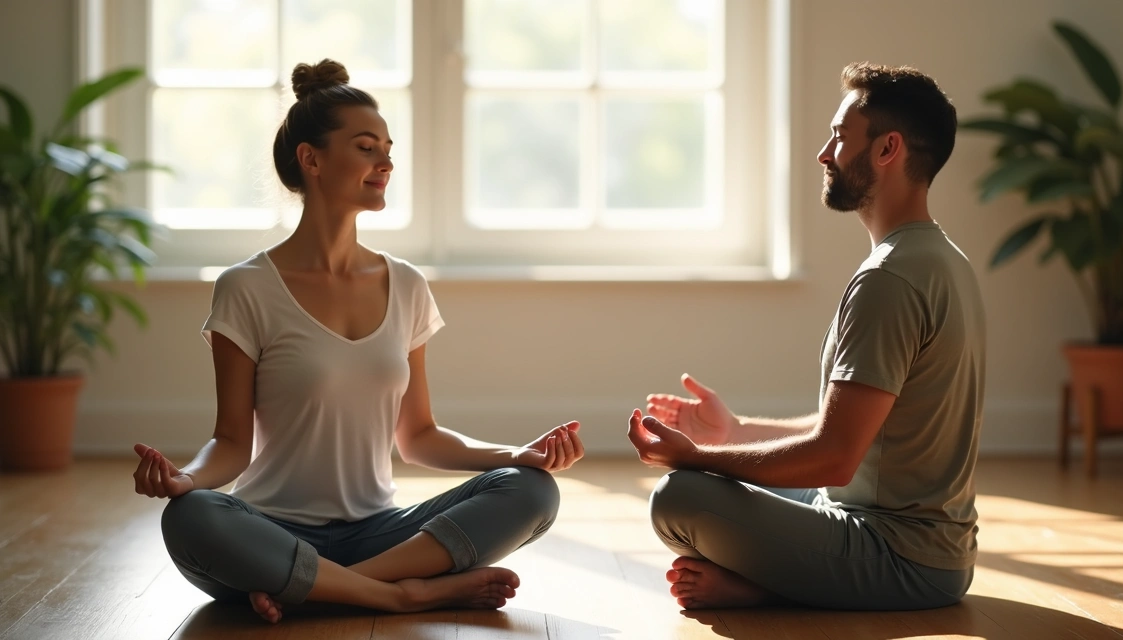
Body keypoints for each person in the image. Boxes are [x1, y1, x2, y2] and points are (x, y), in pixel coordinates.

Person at [131, 59, 585, 624]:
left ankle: (331, 589)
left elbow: (418, 436)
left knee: (532, 490)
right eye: (367, 147)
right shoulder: (246, 288)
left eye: (388, 148)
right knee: (189, 516)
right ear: (311, 158)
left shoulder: (407, 286)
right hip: (269, 536)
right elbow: (230, 442)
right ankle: (402, 595)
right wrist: (185, 479)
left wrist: (517, 454)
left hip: (380, 537)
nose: (387, 162)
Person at [627, 62, 985, 611]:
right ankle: (777, 578)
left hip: (901, 559)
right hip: (935, 551)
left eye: (840, 138)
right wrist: (736, 431)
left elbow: (835, 457)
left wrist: (696, 458)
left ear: (888, 150)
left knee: (681, 497)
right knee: (731, 481)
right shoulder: (944, 260)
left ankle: (768, 587)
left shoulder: (888, 279)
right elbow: (858, 432)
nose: (825, 153)